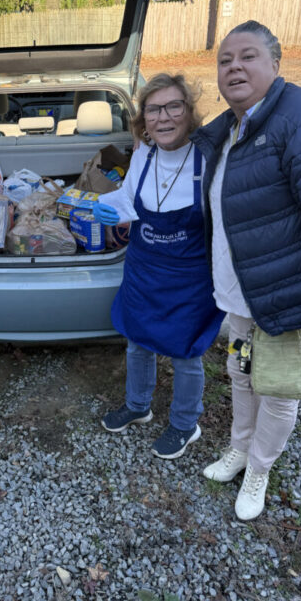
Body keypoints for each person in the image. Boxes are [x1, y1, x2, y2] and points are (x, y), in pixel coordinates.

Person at [191, 20, 301, 520]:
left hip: (286, 297)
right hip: (240, 294)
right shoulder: (231, 127)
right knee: (241, 373)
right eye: (225, 61)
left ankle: (261, 468)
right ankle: (239, 449)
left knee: (278, 389)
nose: (234, 67)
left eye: (247, 57)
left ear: (276, 63)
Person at [93, 73, 224, 459]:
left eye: (173, 107)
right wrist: (108, 209)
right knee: (137, 341)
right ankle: (138, 406)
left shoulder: (208, 159)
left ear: (189, 112)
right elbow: (129, 199)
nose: (163, 118)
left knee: (186, 353)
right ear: (143, 119)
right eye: (153, 109)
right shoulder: (144, 155)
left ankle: (186, 423)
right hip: (144, 270)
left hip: (189, 277)